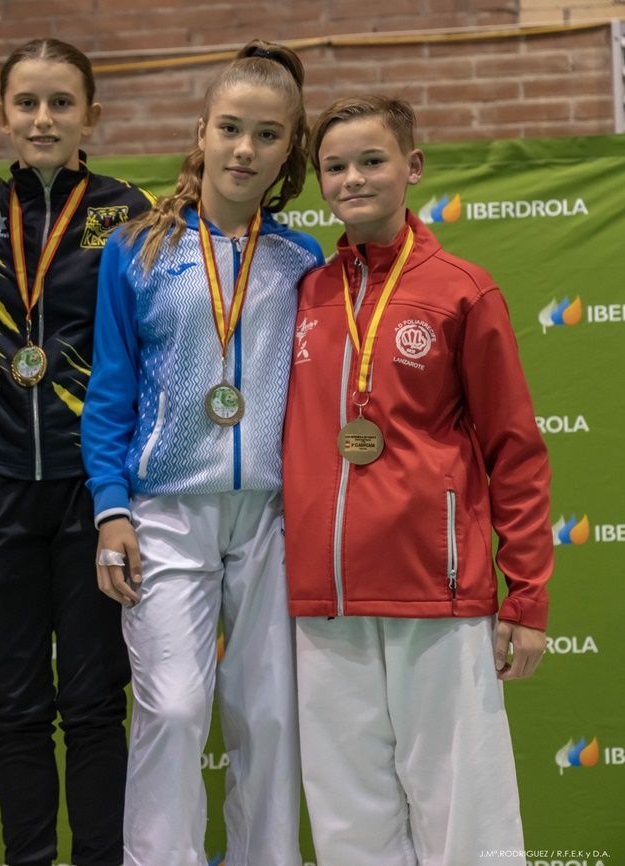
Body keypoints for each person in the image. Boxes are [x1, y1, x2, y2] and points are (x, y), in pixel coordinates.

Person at [283, 95, 552, 866]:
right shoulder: (304, 291)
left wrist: (526, 595)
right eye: (334, 166)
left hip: (436, 591)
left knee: (462, 806)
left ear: (413, 167)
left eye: (372, 160)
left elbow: (516, 449)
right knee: (347, 818)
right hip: (324, 598)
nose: (352, 178)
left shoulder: (463, 289)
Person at [81, 40, 323, 866]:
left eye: (266, 134)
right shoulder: (139, 252)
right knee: (176, 709)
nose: (244, 149)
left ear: (290, 147)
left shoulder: (301, 262)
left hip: (268, 517)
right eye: (230, 128)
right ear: (202, 131)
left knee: (271, 717)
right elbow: (109, 394)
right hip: (166, 514)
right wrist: (112, 509)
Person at [0, 38, 152, 866]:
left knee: (96, 702)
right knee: (17, 706)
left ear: (90, 118)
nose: (43, 119)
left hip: (90, 485)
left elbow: (150, 345)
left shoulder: (132, 211)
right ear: (0, 114)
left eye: (61, 103)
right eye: (27, 103)